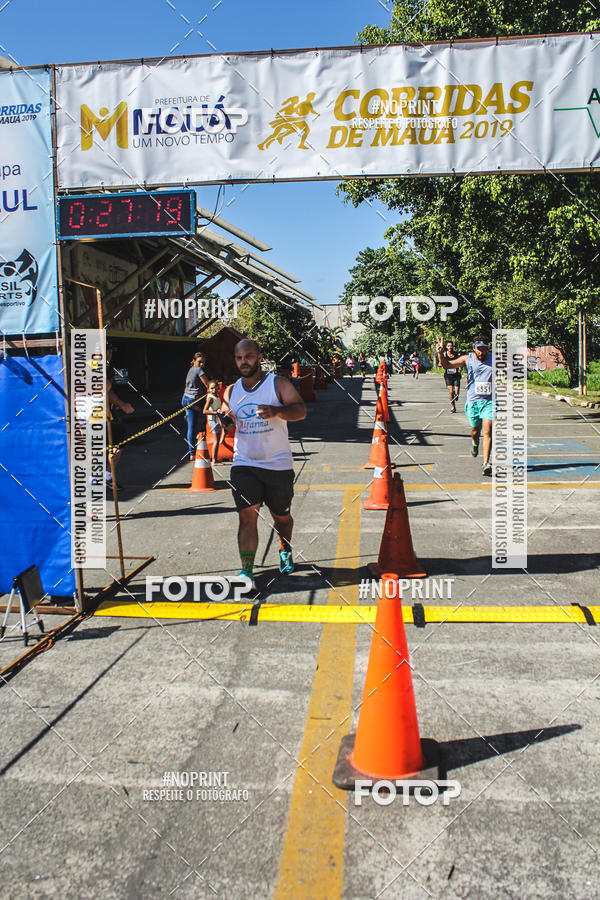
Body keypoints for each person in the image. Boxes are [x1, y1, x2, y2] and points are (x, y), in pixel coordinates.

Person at [221, 339, 307, 588]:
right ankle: (246, 571)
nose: (243, 362)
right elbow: (229, 419)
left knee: (282, 517)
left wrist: (277, 411)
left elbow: (300, 410)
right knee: (247, 517)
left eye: (248, 356)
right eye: (238, 358)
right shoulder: (231, 391)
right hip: (244, 463)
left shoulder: (277, 384)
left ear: (259, 357)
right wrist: (226, 422)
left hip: (277, 465)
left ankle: (285, 547)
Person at [437, 334, 493, 476]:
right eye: (479, 349)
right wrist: (440, 353)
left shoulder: (494, 359)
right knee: (476, 430)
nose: (482, 352)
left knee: (488, 431)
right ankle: (475, 444)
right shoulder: (467, 359)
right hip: (473, 401)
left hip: (489, 402)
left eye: (484, 349)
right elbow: (447, 365)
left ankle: (486, 463)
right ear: (474, 348)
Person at [105, 342, 134, 491]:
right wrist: (122, 404)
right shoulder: (95, 366)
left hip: (107, 415)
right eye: (108, 351)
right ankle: (104, 478)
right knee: (115, 447)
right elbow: (106, 389)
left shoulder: (106, 367)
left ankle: (106, 477)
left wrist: (121, 405)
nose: (110, 355)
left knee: (116, 447)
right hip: (97, 417)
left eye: (110, 351)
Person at [182, 351, 209, 460]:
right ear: (193, 361)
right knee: (201, 419)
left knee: (192, 426)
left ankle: (193, 452)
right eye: (199, 362)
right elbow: (207, 384)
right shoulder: (198, 370)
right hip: (192, 401)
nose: (202, 364)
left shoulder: (191, 369)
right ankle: (196, 450)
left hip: (186, 399)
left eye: (203, 362)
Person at [203, 380, 227, 465]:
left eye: (216, 388)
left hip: (217, 418)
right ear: (208, 389)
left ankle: (223, 437)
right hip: (213, 420)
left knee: (225, 428)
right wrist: (215, 412)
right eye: (212, 388)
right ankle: (214, 460)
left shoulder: (216, 396)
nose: (214, 390)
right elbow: (204, 411)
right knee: (216, 440)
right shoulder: (210, 398)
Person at [442, 339, 462, 413]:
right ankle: (453, 407)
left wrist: (460, 368)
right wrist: (441, 364)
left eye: (451, 346)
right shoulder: (444, 354)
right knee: (451, 392)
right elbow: (441, 362)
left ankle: (456, 395)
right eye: (448, 346)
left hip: (456, 375)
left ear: (453, 346)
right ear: (446, 347)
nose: (450, 347)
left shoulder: (457, 355)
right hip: (448, 375)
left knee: (456, 393)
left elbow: (460, 362)